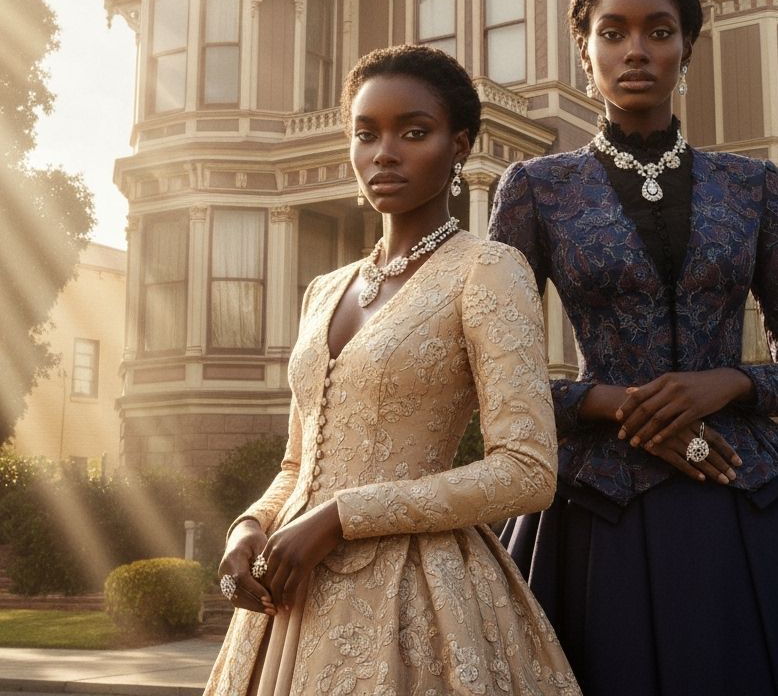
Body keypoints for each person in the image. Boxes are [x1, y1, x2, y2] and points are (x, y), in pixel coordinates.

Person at [488, 0, 778, 696]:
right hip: (598, 506)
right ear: (584, 50)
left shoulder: (752, 186)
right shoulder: (535, 189)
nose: (636, 50)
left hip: (742, 490)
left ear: (686, 47)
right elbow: (493, 375)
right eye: (614, 31)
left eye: (659, 31)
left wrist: (724, 384)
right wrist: (613, 404)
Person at [206, 45, 581, 696]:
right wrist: (248, 528)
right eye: (365, 133)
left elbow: (526, 473)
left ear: (458, 146)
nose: (385, 152)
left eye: (414, 132)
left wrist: (340, 517)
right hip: (290, 591)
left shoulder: (487, 270)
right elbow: (300, 464)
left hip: (415, 593)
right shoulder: (325, 289)